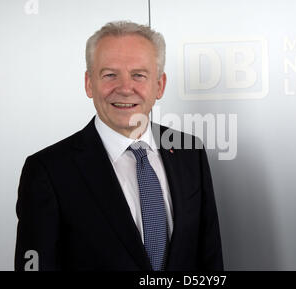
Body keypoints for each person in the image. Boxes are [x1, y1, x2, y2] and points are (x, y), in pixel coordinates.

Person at [15, 21, 223, 271]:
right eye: (110, 75)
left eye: (139, 75)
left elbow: (209, 260)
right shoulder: (47, 171)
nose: (125, 89)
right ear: (89, 83)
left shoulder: (189, 152)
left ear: (160, 85)